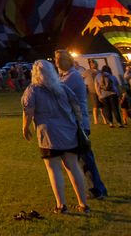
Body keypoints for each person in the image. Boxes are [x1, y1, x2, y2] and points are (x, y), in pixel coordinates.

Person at [21, 59, 91, 215]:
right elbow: (77, 107)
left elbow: (28, 111)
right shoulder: (63, 88)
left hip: (48, 135)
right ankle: (83, 204)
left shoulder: (33, 90)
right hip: (69, 132)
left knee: (54, 170)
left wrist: (25, 128)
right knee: (74, 167)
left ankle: (61, 205)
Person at [54, 51, 107, 200]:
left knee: (85, 158)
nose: (56, 63)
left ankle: (97, 189)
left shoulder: (72, 77)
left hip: (79, 124)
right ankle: (95, 188)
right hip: (73, 123)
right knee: (80, 159)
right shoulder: (66, 76)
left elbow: (56, 92)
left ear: (66, 61)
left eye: (59, 60)